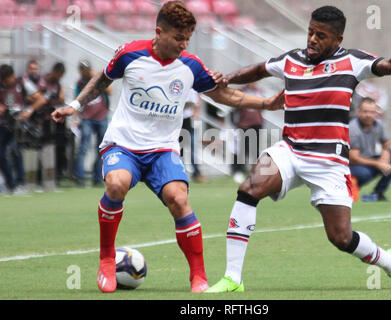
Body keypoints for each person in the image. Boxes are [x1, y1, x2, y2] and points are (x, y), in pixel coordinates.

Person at [51, 1, 284, 294]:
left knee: (179, 199)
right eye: (178, 38)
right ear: (159, 32)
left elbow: (225, 96)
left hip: (162, 149)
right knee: (117, 184)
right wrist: (74, 105)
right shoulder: (130, 54)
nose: (183, 44)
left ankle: (198, 277)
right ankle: (107, 258)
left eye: (187, 39)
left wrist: (265, 103)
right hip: (124, 145)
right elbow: (102, 80)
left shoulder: (190, 65)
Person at [206, 6, 391, 293]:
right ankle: (233, 278)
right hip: (291, 150)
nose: (312, 39)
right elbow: (259, 69)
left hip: (328, 161)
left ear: (337, 39)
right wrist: (226, 78)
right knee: (249, 188)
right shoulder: (291, 59)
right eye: (310, 31)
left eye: (320, 35)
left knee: (341, 238)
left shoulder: (351, 61)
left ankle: (388, 261)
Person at [0, 64, 46, 194]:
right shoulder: (1, 85)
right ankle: (10, 184)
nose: (4, 82)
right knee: (1, 154)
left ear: (12, 76)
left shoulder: (23, 83)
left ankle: (21, 184)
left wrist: (29, 110)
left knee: (16, 151)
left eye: (6, 79)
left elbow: (41, 99)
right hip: (3, 125)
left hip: (18, 125)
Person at [349, 97, 391, 201]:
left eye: (372, 112)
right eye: (365, 111)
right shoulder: (353, 128)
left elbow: (386, 143)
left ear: (376, 113)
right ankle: (350, 185)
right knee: (364, 174)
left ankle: (378, 193)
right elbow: (354, 158)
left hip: (369, 159)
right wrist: (378, 164)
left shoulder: (379, 124)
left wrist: (385, 159)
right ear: (359, 112)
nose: (368, 115)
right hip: (352, 164)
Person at [73, 59, 111, 187]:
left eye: (87, 69)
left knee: (101, 149)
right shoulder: (80, 83)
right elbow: (76, 100)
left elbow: (110, 90)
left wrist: (97, 77)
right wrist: (75, 119)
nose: (85, 72)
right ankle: (80, 178)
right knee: (84, 147)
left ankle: (98, 177)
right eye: (83, 69)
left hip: (101, 117)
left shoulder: (98, 79)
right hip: (87, 118)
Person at [38, 62, 68, 185]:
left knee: (58, 146)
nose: (59, 77)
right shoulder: (43, 80)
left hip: (55, 118)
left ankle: (57, 174)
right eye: (59, 74)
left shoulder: (58, 84)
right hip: (44, 119)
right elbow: (40, 97)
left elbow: (62, 99)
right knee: (44, 146)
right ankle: (42, 175)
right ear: (55, 71)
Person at [231, 82, 264, 183]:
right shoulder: (241, 92)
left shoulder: (259, 92)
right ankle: (238, 171)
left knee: (255, 149)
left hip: (256, 124)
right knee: (241, 149)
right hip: (243, 124)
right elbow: (235, 108)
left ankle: (255, 171)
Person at [180, 89, 207, 183]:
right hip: (176, 123)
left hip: (188, 121)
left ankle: (196, 173)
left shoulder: (190, 89)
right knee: (179, 151)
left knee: (193, 149)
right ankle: (180, 173)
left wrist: (196, 113)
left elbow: (197, 101)